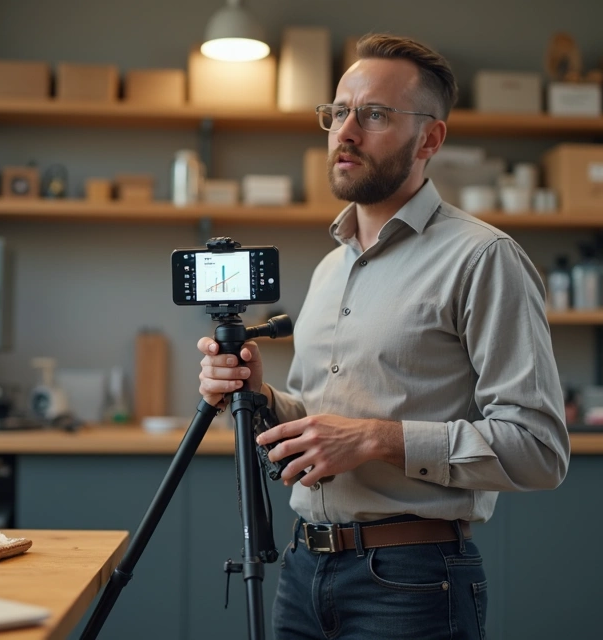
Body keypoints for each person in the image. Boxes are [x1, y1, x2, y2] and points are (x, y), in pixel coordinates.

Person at [196, 32, 570, 639]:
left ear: (430, 139)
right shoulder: (329, 268)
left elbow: (539, 450)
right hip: (302, 568)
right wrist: (258, 398)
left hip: (411, 580)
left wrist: (377, 438)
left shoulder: (484, 259)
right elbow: (322, 428)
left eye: (373, 115)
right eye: (338, 112)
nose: (345, 132)